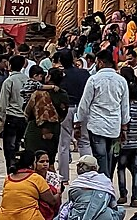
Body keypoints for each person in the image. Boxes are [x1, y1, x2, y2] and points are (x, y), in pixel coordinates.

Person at [76, 49, 131, 179]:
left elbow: (84, 104)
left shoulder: (94, 79)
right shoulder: (121, 80)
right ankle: (107, 182)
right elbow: (125, 106)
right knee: (109, 155)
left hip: (97, 124)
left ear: (100, 62)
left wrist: (78, 122)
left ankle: (104, 184)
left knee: (100, 157)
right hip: (114, 125)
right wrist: (124, 126)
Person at [56, 49, 92, 186]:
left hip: (66, 108)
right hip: (82, 108)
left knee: (64, 144)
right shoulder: (84, 73)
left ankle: (63, 177)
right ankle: (87, 174)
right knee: (84, 141)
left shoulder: (60, 75)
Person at [23, 66, 68, 168]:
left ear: (49, 77)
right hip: (54, 129)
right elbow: (64, 112)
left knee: (34, 160)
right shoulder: (63, 94)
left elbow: (27, 110)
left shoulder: (38, 92)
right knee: (49, 161)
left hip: (35, 130)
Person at [0, 55, 30, 175]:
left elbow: (3, 101)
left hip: (12, 116)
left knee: (10, 149)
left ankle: (11, 173)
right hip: (25, 117)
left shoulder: (9, 81)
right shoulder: (28, 80)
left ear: (10, 65)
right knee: (21, 146)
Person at [0, 150, 60, 220]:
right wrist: (59, 192)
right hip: (29, 217)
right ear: (32, 164)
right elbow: (52, 201)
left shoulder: (8, 178)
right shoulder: (36, 178)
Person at [117, 81, 137, 208]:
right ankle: (135, 199)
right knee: (136, 170)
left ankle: (123, 195)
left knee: (121, 168)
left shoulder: (124, 108)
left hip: (125, 144)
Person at [64, 154, 123, 220]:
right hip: (102, 216)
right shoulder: (105, 182)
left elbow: (70, 203)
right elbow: (113, 205)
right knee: (121, 210)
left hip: (78, 216)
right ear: (94, 168)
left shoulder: (75, 185)